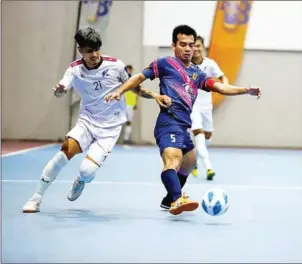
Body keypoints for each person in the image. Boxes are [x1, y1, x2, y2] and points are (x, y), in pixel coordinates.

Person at [105, 24, 261, 215]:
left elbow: (220, 87)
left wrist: (245, 90)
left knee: (190, 162)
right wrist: (120, 91)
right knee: (173, 161)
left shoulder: (197, 74)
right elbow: (138, 78)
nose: (188, 49)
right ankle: (178, 199)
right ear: (174, 45)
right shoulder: (164, 64)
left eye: (191, 45)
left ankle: (168, 199)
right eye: (183, 44)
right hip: (168, 123)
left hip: (183, 126)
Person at [22, 27, 171, 213]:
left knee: (87, 171)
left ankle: (81, 180)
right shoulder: (74, 69)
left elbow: (134, 87)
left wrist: (155, 96)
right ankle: (35, 198)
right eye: (88, 51)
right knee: (63, 153)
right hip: (87, 121)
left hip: (111, 127)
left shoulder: (116, 65)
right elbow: (62, 89)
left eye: (96, 49)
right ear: (81, 51)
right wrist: (60, 91)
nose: (94, 54)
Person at [190, 35, 229, 180]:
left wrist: (225, 85)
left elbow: (222, 77)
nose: (196, 49)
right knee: (199, 138)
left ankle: (193, 160)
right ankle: (209, 168)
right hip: (192, 107)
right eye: (193, 46)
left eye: (198, 46)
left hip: (206, 107)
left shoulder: (210, 64)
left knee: (207, 140)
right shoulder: (186, 65)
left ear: (203, 47)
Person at [123, 65, 138, 145]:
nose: (129, 71)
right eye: (127, 70)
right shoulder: (122, 80)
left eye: (130, 70)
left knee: (129, 122)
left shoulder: (134, 80)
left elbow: (138, 92)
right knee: (116, 122)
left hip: (130, 104)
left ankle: (126, 139)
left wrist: (136, 103)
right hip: (122, 104)